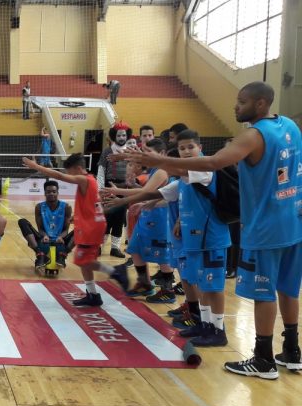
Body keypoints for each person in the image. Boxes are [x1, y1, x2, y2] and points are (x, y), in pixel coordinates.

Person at [119, 82, 302, 379]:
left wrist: (158, 160)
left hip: (265, 227)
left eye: (242, 101)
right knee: (288, 289)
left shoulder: (254, 135)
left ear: (260, 104)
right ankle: (292, 351)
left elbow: (215, 162)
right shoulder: (290, 127)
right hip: (293, 221)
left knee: (263, 293)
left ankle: (264, 359)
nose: (235, 106)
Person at [23, 154, 128, 306]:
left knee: (82, 261)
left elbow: (58, 175)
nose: (69, 175)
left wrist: (36, 167)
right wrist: (77, 217)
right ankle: (93, 295)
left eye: (70, 172)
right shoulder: (90, 181)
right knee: (84, 262)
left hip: (91, 228)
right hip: (91, 225)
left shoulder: (84, 180)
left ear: (78, 169)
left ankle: (115, 272)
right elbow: (92, 205)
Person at [102, 138, 176, 300]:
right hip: (148, 214)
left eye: (149, 152)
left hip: (160, 217)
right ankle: (145, 284)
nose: (145, 156)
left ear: (162, 153)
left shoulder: (161, 171)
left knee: (162, 255)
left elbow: (146, 193)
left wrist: (119, 193)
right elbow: (147, 192)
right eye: (144, 152)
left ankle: (168, 291)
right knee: (135, 249)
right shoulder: (153, 170)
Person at [17, 180, 74, 271]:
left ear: (58, 192)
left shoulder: (66, 207)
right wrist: (45, 235)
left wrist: (60, 237)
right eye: (48, 192)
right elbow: (40, 228)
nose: (51, 194)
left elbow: (66, 230)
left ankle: (63, 255)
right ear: (45, 193)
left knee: (81, 228)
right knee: (22, 222)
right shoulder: (39, 207)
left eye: (54, 192)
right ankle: (40, 254)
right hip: (44, 239)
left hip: (61, 240)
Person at [96, 123, 132, 258]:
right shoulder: (107, 151)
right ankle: (99, 246)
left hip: (124, 190)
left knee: (119, 219)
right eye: (119, 135)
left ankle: (115, 248)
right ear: (114, 136)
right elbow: (101, 171)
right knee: (106, 218)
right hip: (108, 188)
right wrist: (100, 190)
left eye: (124, 135)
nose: (122, 137)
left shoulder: (130, 151)